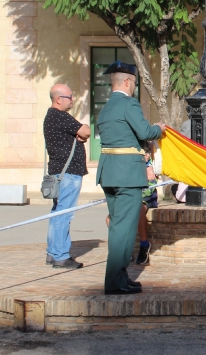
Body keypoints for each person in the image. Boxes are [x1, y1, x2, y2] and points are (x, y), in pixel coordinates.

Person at [96, 61, 165, 295]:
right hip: (127, 175)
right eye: (134, 83)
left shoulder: (106, 108)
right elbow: (145, 132)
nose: (134, 87)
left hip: (109, 173)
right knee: (124, 231)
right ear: (127, 82)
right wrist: (159, 128)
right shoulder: (128, 104)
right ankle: (115, 281)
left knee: (117, 227)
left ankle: (120, 277)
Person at [43, 83, 90, 269]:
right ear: (58, 99)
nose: (72, 100)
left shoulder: (52, 116)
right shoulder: (60, 116)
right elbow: (86, 130)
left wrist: (79, 135)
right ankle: (60, 255)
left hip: (59, 173)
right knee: (64, 215)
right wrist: (81, 134)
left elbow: (81, 133)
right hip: (68, 174)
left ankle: (52, 253)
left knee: (57, 213)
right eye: (69, 97)